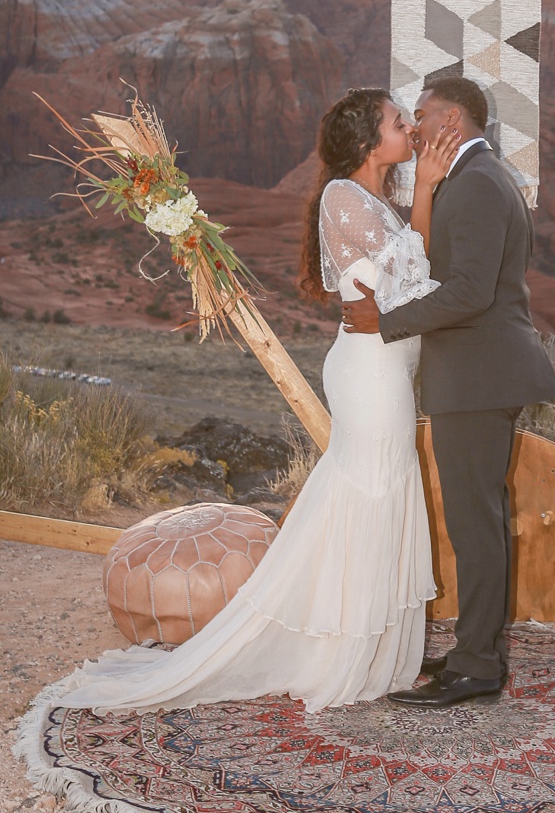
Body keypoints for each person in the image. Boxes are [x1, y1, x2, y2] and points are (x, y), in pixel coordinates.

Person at [26, 87, 459, 717]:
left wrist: (420, 194)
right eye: (400, 123)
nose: (410, 131)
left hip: (386, 368)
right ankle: (347, 658)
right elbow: (412, 281)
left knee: (375, 498)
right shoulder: (344, 196)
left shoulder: (375, 198)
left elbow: (409, 279)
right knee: (371, 500)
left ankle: (380, 654)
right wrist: (426, 188)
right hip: (371, 376)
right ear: (370, 144)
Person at [342, 75, 555, 708]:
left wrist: (384, 323)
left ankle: (477, 668)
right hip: (474, 372)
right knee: (475, 521)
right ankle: (475, 652)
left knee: (475, 523)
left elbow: (469, 292)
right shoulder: (472, 180)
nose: (413, 126)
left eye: (422, 114)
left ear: (454, 122)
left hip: (478, 375)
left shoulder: (480, 185)